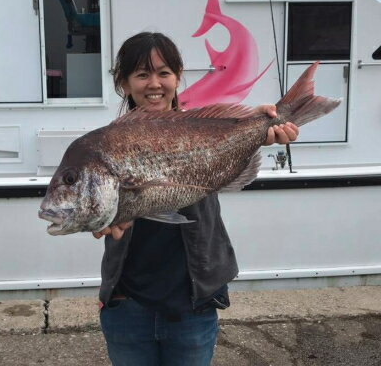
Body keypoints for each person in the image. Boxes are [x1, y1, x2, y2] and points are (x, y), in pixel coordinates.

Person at [93, 32, 299, 366]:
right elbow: (99, 207)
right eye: (142, 74)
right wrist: (100, 219)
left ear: (177, 77)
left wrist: (263, 124)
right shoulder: (108, 145)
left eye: (164, 73)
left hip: (194, 304)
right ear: (124, 83)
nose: (154, 83)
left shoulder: (200, 126)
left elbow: (233, 134)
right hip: (127, 304)